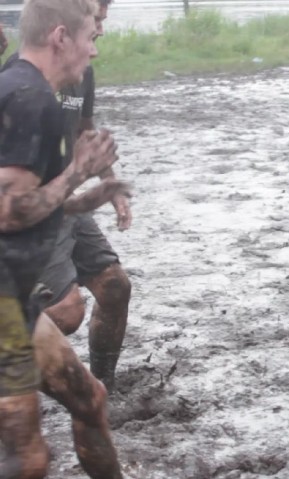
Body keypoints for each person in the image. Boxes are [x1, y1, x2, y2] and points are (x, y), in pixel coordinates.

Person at [0, 0, 128, 477]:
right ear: (60, 38)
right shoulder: (28, 98)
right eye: (91, 38)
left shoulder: (35, 94)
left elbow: (32, 197)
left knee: (91, 399)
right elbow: (10, 212)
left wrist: (91, 194)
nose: (94, 51)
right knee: (27, 456)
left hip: (16, 301)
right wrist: (79, 171)